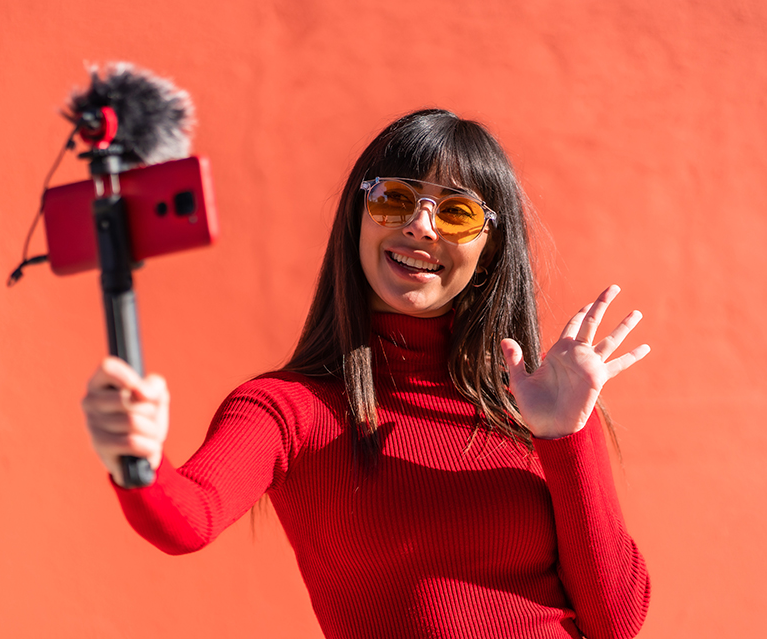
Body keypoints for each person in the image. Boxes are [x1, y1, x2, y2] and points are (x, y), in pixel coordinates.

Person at [83, 109, 651, 639]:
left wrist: (565, 437)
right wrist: (137, 458)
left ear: (488, 251)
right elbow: (189, 519)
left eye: (456, 212)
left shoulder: (538, 403)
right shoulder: (287, 410)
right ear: (358, 220)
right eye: (394, 200)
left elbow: (616, 620)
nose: (422, 226)